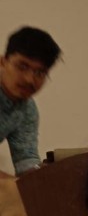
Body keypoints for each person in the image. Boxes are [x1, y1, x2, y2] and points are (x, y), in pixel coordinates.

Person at [0, 26, 62, 177]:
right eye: (22, 66)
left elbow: (26, 160)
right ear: (2, 62)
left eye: (39, 73)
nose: (29, 79)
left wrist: (41, 176)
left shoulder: (27, 110)